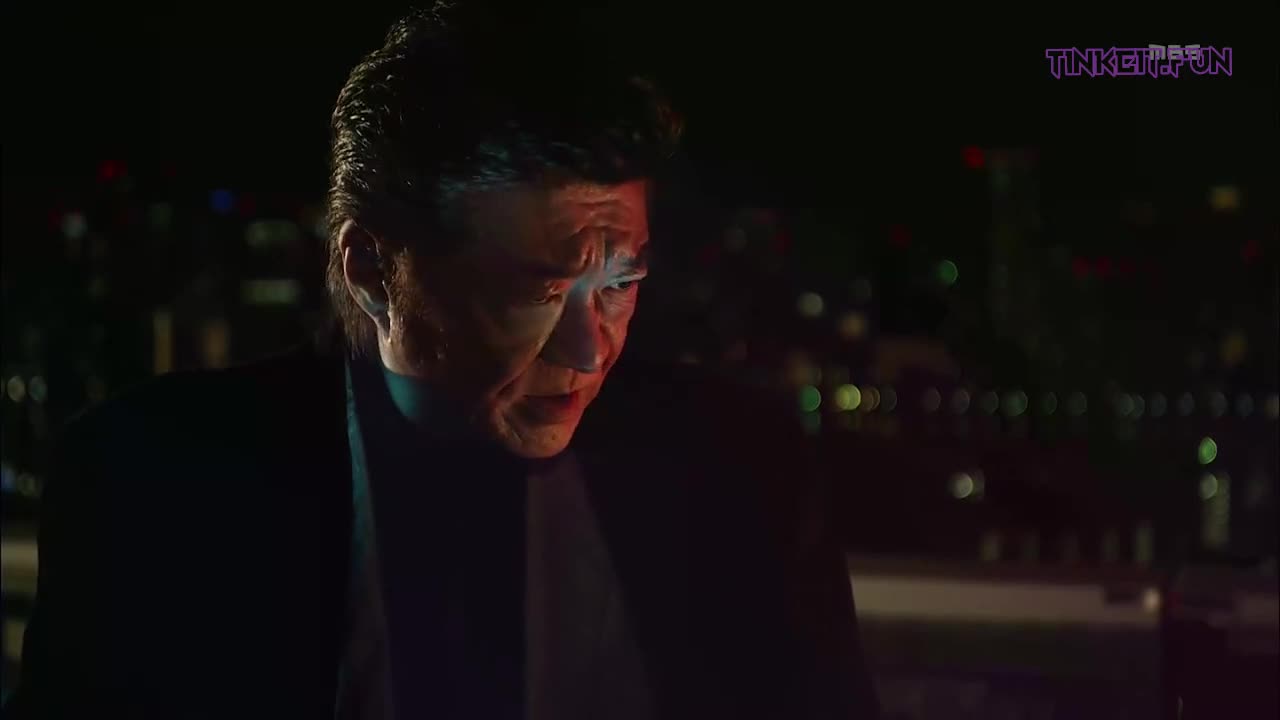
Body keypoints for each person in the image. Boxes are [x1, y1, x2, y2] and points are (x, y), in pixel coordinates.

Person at [7, 3, 880, 718]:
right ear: (371, 270)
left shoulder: (742, 475)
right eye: (540, 289)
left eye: (620, 284)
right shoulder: (154, 487)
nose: (591, 349)